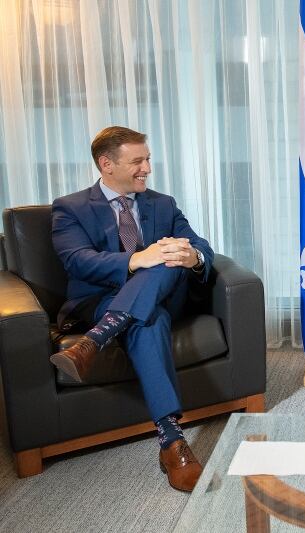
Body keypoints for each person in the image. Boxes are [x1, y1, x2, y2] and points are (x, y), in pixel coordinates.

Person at [49, 126, 214, 492]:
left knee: (171, 256)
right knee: (148, 317)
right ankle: (171, 441)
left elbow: (201, 244)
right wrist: (141, 258)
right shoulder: (71, 208)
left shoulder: (162, 203)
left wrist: (193, 255)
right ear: (106, 164)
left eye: (148, 159)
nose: (147, 169)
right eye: (137, 161)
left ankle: (95, 341)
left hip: (160, 293)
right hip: (101, 300)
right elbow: (78, 261)